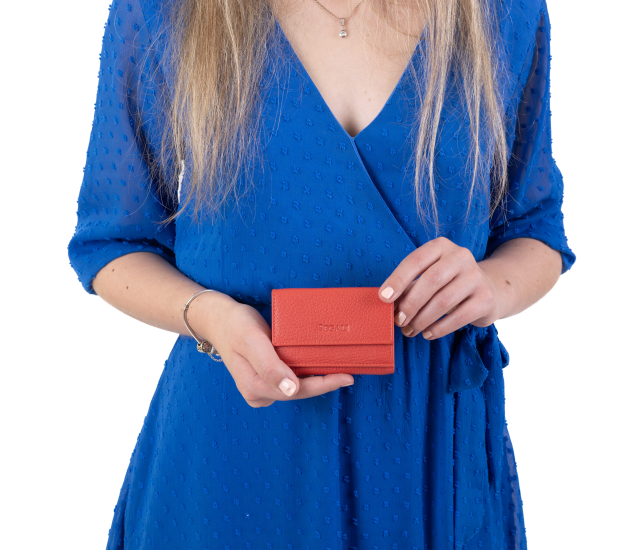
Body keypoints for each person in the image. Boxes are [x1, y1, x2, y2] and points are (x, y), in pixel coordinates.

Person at [68, 0, 576, 548]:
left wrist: (490, 286)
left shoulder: (503, 12)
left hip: (429, 442)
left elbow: (535, 227)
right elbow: (113, 242)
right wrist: (210, 317)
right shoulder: (164, 12)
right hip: (235, 443)